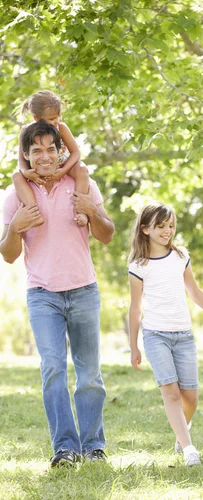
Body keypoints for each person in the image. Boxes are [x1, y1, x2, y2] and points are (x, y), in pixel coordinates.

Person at [0, 120, 115, 467]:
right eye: (37, 150)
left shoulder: (81, 184)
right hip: (43, 294)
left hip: (83, 290)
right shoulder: (14, 195)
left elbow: (107, 234)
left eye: (51, 149)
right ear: (26, 155)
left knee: (89, 373)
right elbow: (8, 254)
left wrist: (93, 211)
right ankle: (65, 448)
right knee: (52, 369)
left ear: (60, 151)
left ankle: (94, 446)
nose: (45, 156)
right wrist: (15, 229)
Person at [128, 202, 203, 467]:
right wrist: (134, 346)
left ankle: (181, 436)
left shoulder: (180, 257)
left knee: (191, 397)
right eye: (160, 226)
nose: (167, 231)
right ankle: (189, 449)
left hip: (184, 335)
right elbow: (135, 308)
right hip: (156, 335)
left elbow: (195, 292)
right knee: (172, 393)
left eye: (170, 226)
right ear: (145, 229)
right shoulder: (138, 265)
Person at [13, 90, 89, 228]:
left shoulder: (61, 127)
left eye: (59, 115)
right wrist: (26, 172)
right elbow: (21, 161)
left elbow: (76, 153)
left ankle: (81, 211)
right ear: (37, 118)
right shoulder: (26, 131)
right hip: (39, 166)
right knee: (16, 177)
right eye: (52, 118)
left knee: (83, 170)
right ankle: (33, 214)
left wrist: (63, 171)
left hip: (64, 164)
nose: (57, 120)